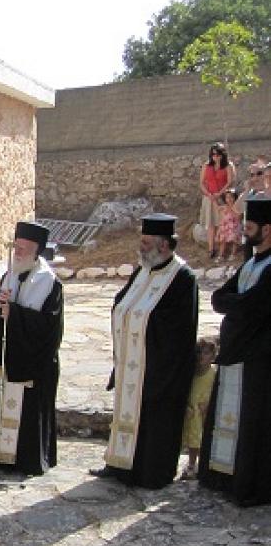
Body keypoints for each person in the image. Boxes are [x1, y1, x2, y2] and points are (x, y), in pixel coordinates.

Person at [93, 214, 198, 487]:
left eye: (145, 242)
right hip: (132, 362)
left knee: (155, 422)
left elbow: (176, 327)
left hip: (161, 368)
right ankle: (119, 466)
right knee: (126, 414)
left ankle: (151, 473)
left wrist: (138, 319)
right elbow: (123, 301)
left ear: (163, 246)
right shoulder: (143, 270)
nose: (140, 247)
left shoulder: (182, 278)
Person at [199, 195, 271, 506]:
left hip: (259, 360)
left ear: (267, 229)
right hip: (236, 355)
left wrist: (235, 306)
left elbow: (253, 307)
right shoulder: (251, 264)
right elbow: (220, 299)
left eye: (250, 226)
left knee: (254, 424)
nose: (244, 231)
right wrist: (236, 306)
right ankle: (223, 476)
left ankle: (248, 484)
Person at [0, 221, 64, 476]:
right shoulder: (10, 274)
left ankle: (29, 460)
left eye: (23, 249)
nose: (17, 253)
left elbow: (50, 327)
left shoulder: (50, 283)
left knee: (29, 414)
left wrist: (14, 313)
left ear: (36, 252)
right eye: (16, 247)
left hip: (33, 362)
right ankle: (3, 458)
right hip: (9, 358)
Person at [181, 337, 218, 480]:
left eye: (206, 353)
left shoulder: (212, 373)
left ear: (213, 356)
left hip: (203, 411)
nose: (202, 356)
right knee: (192, 440)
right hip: (191, 411)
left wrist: (209, 404)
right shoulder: (193, 373)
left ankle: (201, 465)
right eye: (200, 353)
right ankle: (191, 464)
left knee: (201, 439)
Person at [199, 143, 235, 260]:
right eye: (213, 154)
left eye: (218, 154)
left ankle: (222, 251)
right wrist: (209, 194)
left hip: (223, 197)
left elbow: (229, 182)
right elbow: (202, 182)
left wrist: (219, 193)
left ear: (222, 154)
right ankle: (211, 249)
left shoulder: (228, 166)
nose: (215, 156)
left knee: (222, 223)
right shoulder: (206, 165)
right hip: (209, 197)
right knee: (211, 224)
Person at [217, 188, 242, 262]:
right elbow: (222, 219)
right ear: (225, 199)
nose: (229, 199)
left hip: (235, 226)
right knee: (222, 241)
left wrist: (233, 209)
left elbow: (239, 217)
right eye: (227, 197)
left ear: (235, 198)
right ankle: (221, 255)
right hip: (225, 226)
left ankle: (233, 254)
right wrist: (219, 230)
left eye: (231, 197)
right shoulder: (224, 208)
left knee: (234, 238)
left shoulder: (236, 207)